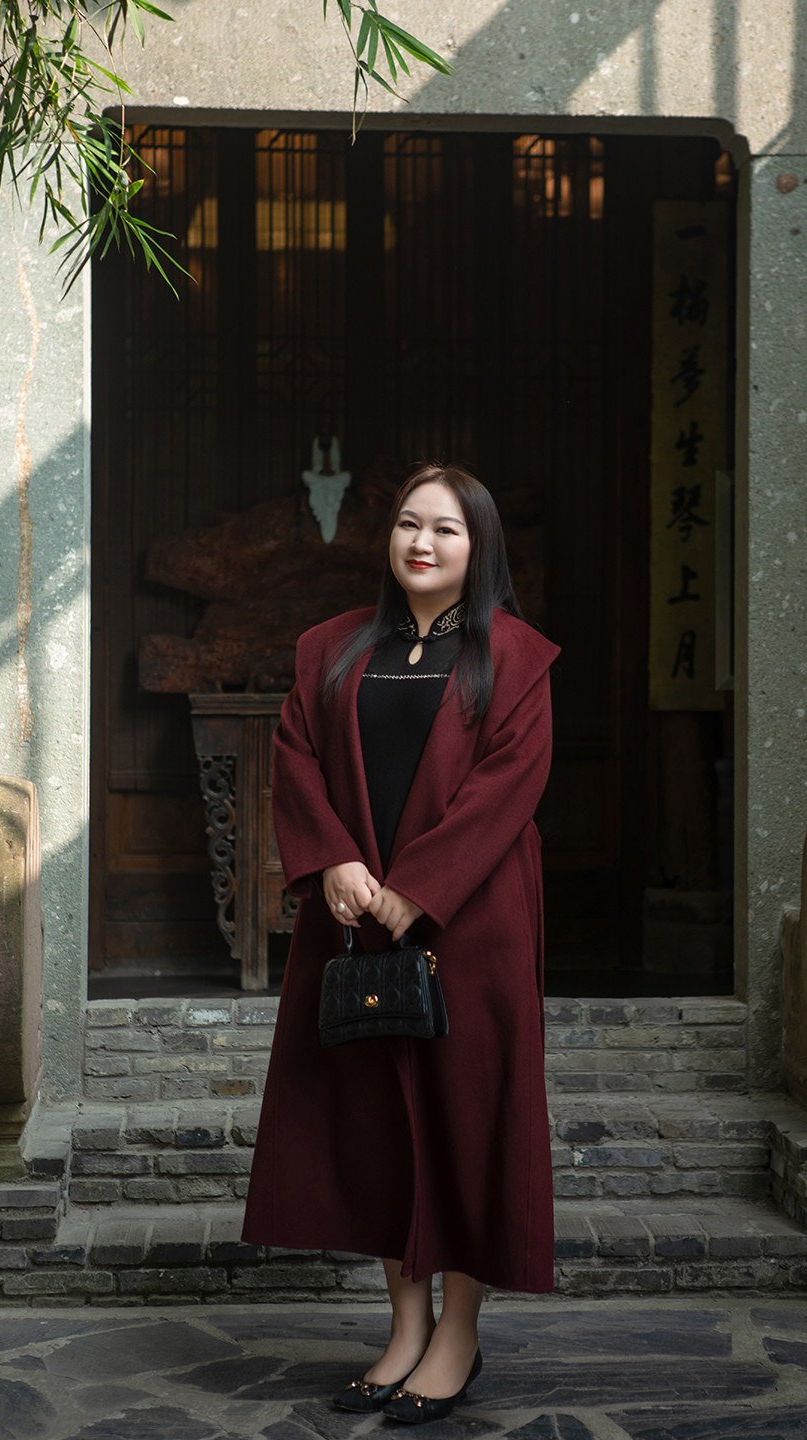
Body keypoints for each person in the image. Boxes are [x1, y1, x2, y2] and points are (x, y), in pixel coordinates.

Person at [242, 463, 559, 1424]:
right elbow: (295, 757)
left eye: (445, 530)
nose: (422, 543)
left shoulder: (515, 656)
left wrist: (419, 888)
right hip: (353, 920)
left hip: (473, 923)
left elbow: (512, 783)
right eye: (409, 524)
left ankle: (458, 1335)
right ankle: (405, 1328)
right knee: (376, 1123)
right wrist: (332, 860)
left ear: (479, 546)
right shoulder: (333, 648)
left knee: (467, 1122)